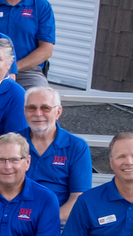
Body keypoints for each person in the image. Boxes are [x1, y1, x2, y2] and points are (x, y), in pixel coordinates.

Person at [24, 86, 92, 222]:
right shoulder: (13, 143)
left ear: (58, 112)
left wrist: (46, 221)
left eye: (45, 108)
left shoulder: (76, 147)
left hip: (58, 222)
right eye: (31, 108)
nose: (38, 113)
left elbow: (78, 198)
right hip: (15, 221)